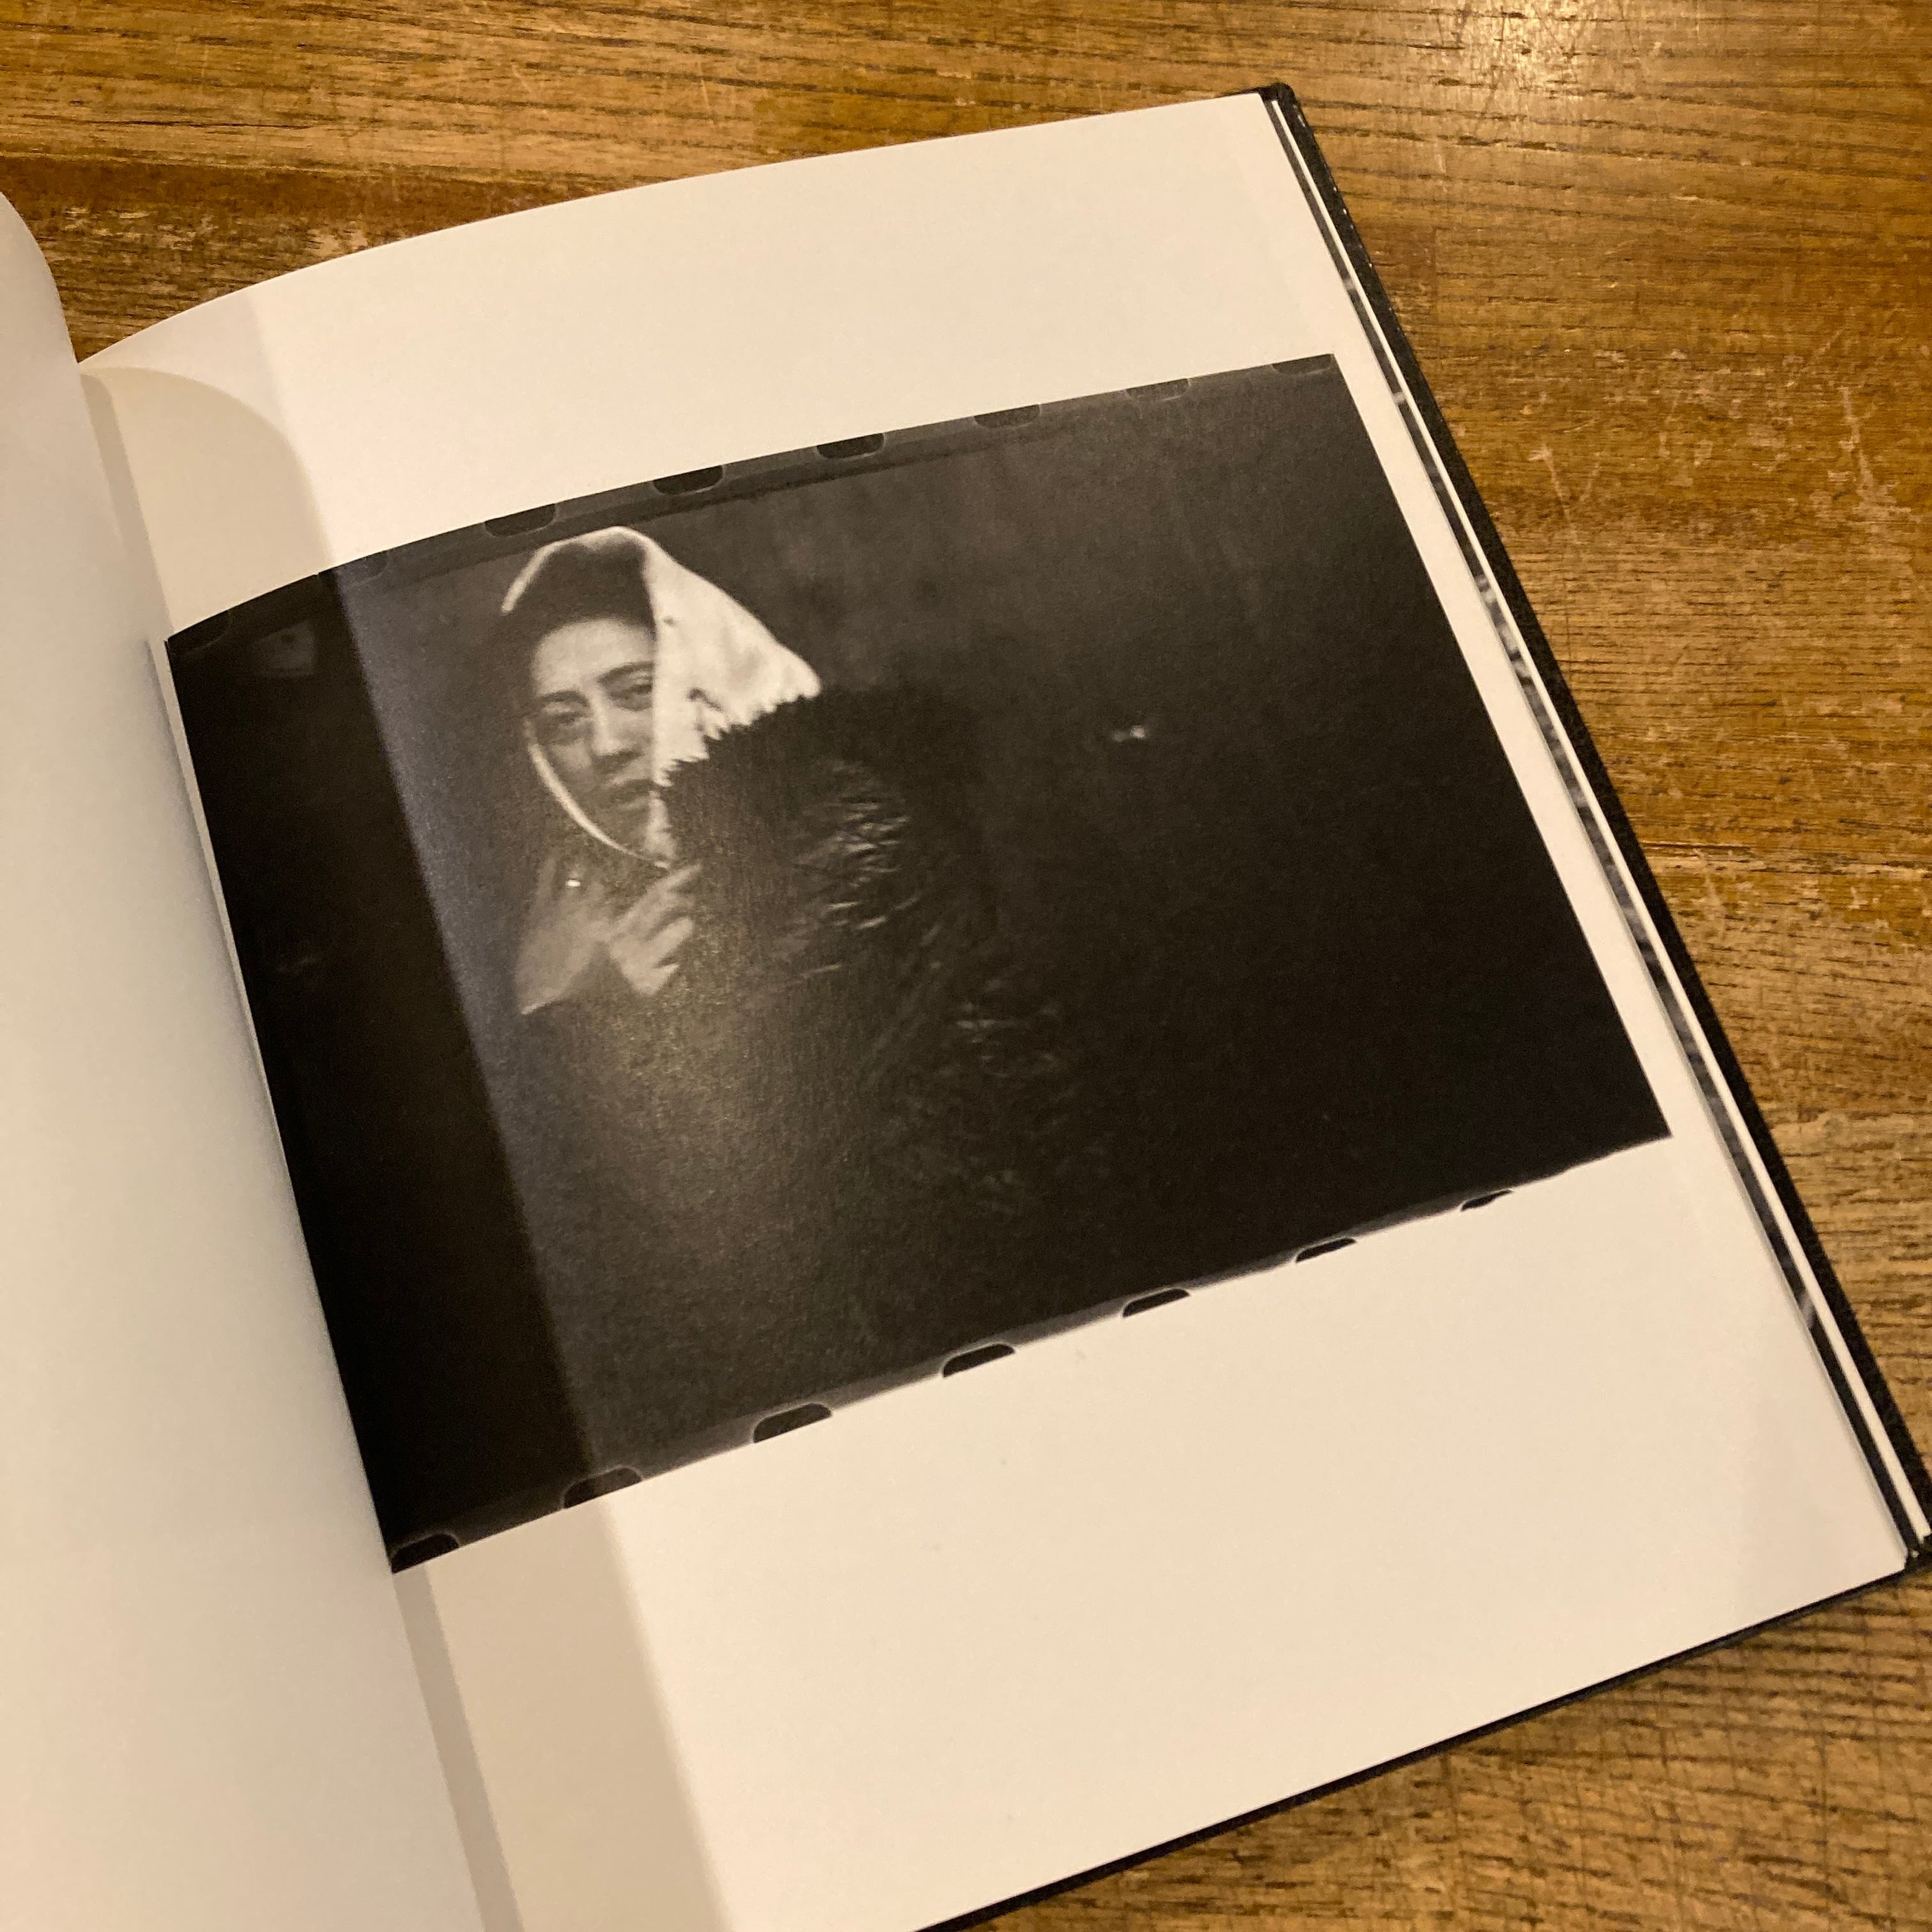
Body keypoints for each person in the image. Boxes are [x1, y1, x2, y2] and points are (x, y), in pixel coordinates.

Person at [489, 526, 1114, 1457]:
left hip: (982, 1341)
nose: (607, 744)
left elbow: (732, 1169)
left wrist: (553, 1009)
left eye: (635, 691)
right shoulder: (616, 886)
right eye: (563, 721)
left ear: (702, 669)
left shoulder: (843, 821)